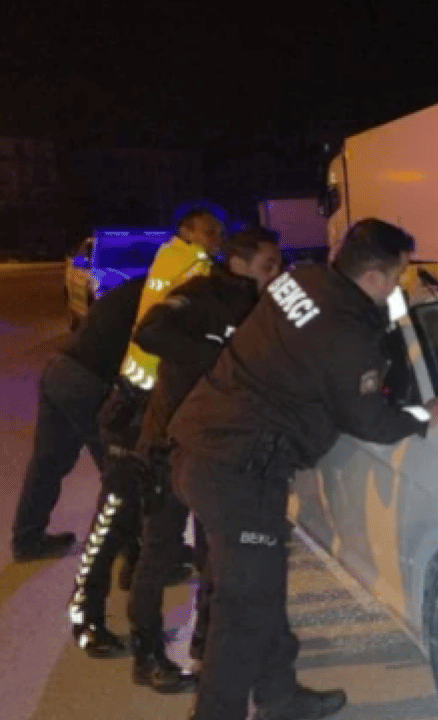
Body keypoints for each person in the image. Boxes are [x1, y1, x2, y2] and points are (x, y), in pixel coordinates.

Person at [167, 218, 438, 720]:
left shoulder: (301, 279)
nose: (399, 286)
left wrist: (389, 310)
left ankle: (280, 698)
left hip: (202, 445)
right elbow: (369, 419)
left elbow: (343, 327)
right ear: (374, 276)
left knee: (260, 588)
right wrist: (421, 415)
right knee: (243, 611)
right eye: (397, 276)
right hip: (239, 470)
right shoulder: (346, 337)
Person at [126, 226, 282, 693]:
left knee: (217, 553)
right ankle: (147, 654)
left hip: (219, 450)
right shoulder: (200, 294)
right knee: (159, 552)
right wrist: (215, 355)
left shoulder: (264, 308)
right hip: (169, 444)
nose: (276, 273)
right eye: (268, 265)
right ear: (238, 263)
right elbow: (149, 331)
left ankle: (207, 641)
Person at [69, 208, 224, 656]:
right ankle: (85, 615)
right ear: (187, 233)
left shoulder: (169, 259)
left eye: (220, 232)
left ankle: (106, 600)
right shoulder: (194, 266)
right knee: (116, 514)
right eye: (209, 231)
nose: (215, 239)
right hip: (138, 407)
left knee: (136, 513)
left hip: (142, 403)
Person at [10, 276, 143, 562]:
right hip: (89, 382)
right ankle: (131, 548)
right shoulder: (156, 299)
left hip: (60, 369)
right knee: (119, 467)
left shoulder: (133, 288)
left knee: (48, 462)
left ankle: (27, 540)